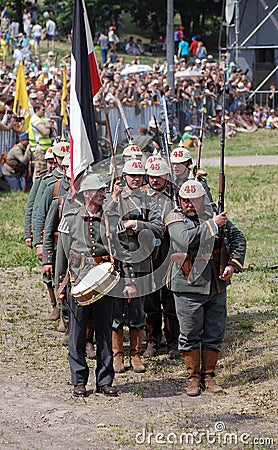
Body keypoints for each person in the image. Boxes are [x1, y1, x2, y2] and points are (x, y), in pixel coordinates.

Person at [55, 172, 137, 397]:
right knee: (78, 335)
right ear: (86, 194)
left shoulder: (111, 218)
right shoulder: (70, 218)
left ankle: (104, 380)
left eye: (103, 191)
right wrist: (59, 287)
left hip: (106, 283)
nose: (103, 194)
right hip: (78, 281)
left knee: (104, 332)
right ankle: (79, 380)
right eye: (99, 191)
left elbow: (123, 252)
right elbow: (61, 256)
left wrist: (129, 281)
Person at [165, 177, 246, 396]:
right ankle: (193, 378)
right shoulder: (174, 217)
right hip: (188, 284)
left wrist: (232, 264)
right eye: (185, 200)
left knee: (214, 331)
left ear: (203, 199)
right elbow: (183, 240)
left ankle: (209, 376)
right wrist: (212, 225)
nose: (189, 205)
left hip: (216, 283)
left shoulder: (214, 215)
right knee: (190, 332)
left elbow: (238, 237)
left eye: (194, 200)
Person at [106, 158, 164, 374]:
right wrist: (112, 200)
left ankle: (136, 355)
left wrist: (137, 224)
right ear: (124, 176)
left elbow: (159, 226)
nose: (135, 179)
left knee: (138, 310)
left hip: (140, 260)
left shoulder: (149, 201)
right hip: (118, 261)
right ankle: (117, 354)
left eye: (139, 176)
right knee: (117, 310)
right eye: (132, 175)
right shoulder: (114, 198)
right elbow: (103, 222)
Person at [144, 157, 180, 359]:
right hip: (148, 256)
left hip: (169, 253)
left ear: (167, 177)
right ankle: (152, 341)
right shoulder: (139, 197)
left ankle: (173, 340)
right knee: (150, 302)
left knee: (170, 301)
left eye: (159, 177)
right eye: (152, 177)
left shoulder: (175, 197)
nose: (155, 181)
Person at [28, 101, 53, 179]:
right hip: (39, 149)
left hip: (43, 148)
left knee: (42, 170)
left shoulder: (40, 120)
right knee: (40, 170)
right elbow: (45, 132)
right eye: (42, 110)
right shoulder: (35, 120)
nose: (44, 111)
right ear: (36, 110)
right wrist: (48, 127)